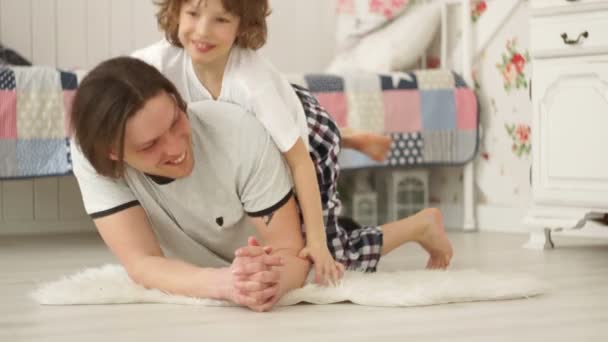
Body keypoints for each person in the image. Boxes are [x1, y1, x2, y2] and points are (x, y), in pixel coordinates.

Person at [70, 57, 453, 312]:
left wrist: (268, 281)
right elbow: (141, 262)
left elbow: (290, 250)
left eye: (175, 122)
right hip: (250, 219)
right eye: (150, 145)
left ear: (176, 99)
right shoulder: (91, 159)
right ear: (113, 154)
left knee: (329, 261)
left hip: (298, 153)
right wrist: (224, 283)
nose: (175, 148)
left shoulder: (235, 131)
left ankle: (419, 224)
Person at [131, 0, 393, 285]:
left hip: (310, 138)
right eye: (193, 14)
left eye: (221, 20)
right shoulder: (157, 63)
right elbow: (115, 83)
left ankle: (422, 227)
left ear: (242, 26)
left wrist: (317, 241)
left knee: (332, 255)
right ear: (176, 13)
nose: (202, 31)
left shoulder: (252, 82)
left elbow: (299, 160)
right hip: (264, 119)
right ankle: (349, 136)